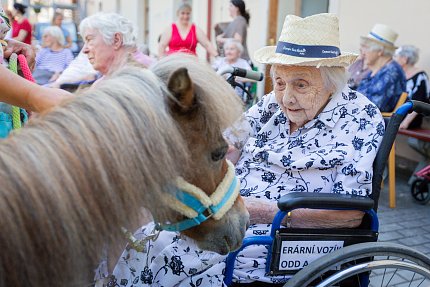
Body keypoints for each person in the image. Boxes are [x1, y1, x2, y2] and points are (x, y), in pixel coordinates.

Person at [110, 13, 385, 286]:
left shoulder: (360, 118)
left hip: (286, 238)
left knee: (179, 255)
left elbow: (351, 216)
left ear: (332, 82)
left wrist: (268, 212)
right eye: (279, 82)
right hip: (229, 213)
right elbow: (225, 145)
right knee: (147, 238)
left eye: (300, 84)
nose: (287, 98)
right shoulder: (269, 105)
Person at [80, 12, 154, 85]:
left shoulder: (138, 74)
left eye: (89, 40)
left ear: (116, 40)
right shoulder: (107, 79)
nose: (84, 50)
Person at [357, 24, 406, 112]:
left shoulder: (391, 73)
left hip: (374, 123)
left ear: (380, 51)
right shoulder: (376, 70)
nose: (362, 52)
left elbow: (373, 107)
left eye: (366, 48)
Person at [394, 45, 430, 130]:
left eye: (396, 56)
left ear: (404, 59)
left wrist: (405, 123)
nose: (394, 59)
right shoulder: (399, 74)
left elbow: (418, 102)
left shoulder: (420, 77)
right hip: (395, 116)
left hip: (408, 120)